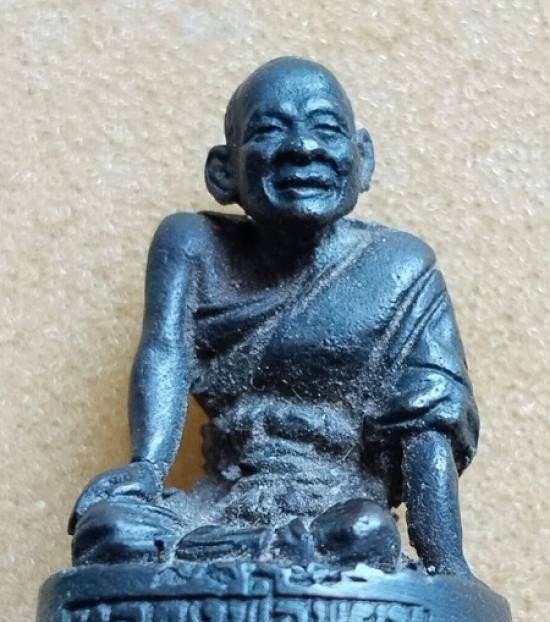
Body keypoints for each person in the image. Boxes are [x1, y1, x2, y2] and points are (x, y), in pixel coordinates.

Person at [70, 57, 478, 575]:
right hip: (220, 497)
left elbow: (430, 421)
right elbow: (165, 351)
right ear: (224, 171)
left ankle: (229, 560)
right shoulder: (192, 245)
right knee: (109, 531)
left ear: (363, 159)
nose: (302, 147)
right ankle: (258, 552)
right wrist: (147, 466)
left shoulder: (399, 270)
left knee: (364, 532)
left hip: (337, 498)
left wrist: (446, 563)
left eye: (326, 129)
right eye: (268, 130)